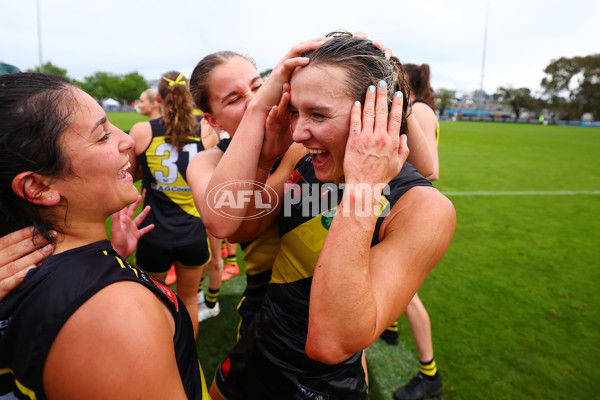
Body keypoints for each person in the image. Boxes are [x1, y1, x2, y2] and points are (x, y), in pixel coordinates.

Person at [201, 31, 456, 399]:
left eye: (317, 114)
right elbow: (237, 228)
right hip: (256, 348)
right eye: (296, 112)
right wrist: (261, 158)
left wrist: (363, 187)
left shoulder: (422, 209)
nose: (298, 131)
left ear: (375, 115)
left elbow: (331, 343)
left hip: (321, 385)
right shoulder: (302, 156)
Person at [0, 72, 210, 399]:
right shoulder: (118, 315)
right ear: (40, 186)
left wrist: (110, 257)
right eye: (102, 136)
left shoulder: (20, 271)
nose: (126, 139)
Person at [127, 71, 216, 335]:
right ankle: (186, 360)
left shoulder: (143, 131)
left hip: (153, 233)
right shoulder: (206, 128)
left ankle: (159, 358)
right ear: (190, 96)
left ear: (158, 97)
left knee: (154, 303)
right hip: (193, 231)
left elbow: (130, 176)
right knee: (189, 300)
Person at [389, 62, 444, 400]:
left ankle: (430, 375)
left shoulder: (418, 109)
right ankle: (389, 329)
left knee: (407, 293)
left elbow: (430, 169)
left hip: (409, 202)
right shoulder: (418, 106)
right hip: (400, 199)